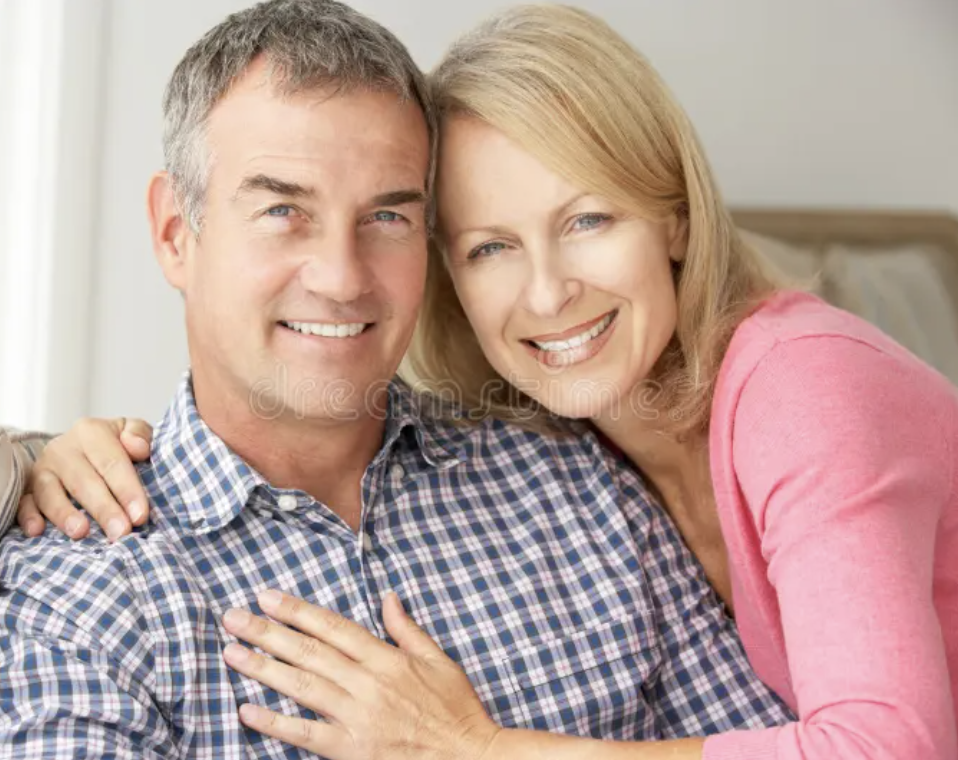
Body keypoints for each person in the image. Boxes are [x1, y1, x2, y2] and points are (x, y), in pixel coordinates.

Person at [10, 3, 958, 759]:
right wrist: (27, 458)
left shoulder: (580, 477)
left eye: (386, 216)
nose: (341, 276)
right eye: (284, 213)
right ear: (177, 232)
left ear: (672, 215)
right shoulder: (82, 586)